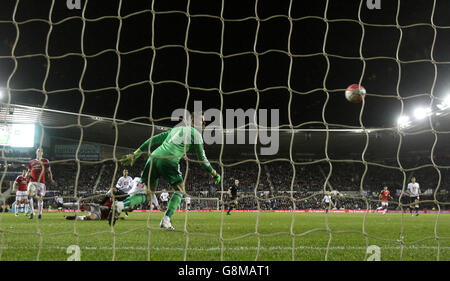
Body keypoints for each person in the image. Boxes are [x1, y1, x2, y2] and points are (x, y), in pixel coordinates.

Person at [114, 112, 221, 230]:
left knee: (147, 193)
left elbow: (153, 139)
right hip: (169, 160)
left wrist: (136, 154)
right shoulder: (196, 134)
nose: (203, 124)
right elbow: (202, 159)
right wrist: (214, 173)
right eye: (202, 121)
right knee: (180, 191)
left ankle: (120, 205)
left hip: (153, 158)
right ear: (192, 121)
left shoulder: (176, 129)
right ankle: (166, 220)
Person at [27, 148, 56, 219]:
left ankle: (39, 213)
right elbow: (29, 172)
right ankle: (32, 212)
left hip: (41, 182)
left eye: (40, 151)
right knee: (29, 195)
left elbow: (49, 171)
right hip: (32, 181)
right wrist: (26, 177)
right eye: (38, 151)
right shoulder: (31, 162)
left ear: (42, 153)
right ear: (36, 152)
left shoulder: (45, 161)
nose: (39, 152)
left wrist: (51, 179)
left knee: (40, 198)